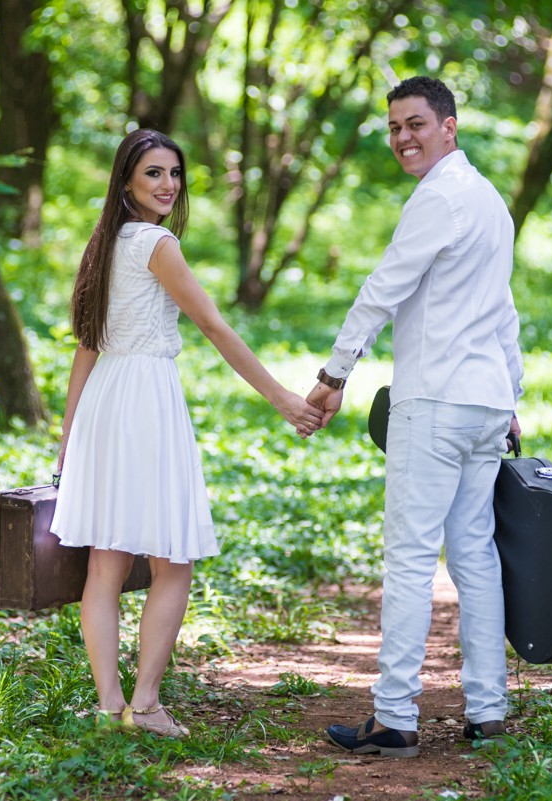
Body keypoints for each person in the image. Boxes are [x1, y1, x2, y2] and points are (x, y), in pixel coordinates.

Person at [51, 128, 323, 738]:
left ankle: (106, 708)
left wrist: (70, 435)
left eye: (174, 173)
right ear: (126, 181)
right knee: (173, 562)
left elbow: (87, 349)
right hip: (144, 400)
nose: (167, 184)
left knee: (107, 562)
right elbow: (215, 326)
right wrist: (281, 398)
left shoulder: (104, 241)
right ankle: (143, 706)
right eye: (153, 173)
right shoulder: (156, 243)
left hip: (104, 404)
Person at [308, 77, 524, 758]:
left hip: (434, 401)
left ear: (450, 127)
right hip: (485, 402)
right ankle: (487, 711)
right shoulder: (489, 201)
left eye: (417, 124)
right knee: (474, 554)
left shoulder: (439, 199)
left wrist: (334, 372)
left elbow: (383, 288)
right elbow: (505, 315)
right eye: (395, 126)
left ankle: (394, 716)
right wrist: (512, 398)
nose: (404, 137)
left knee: (408, 558)